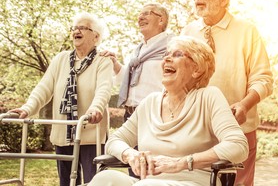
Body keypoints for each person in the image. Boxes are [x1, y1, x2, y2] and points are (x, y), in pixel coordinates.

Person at [88, 36, 248, 186]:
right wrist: (130, 155)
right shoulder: (150, 102)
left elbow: (237, 145)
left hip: (194, 182)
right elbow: (114, 141)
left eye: (177, 54)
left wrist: (182, 163)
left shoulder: (208, 97)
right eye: (166, 55)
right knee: (104, 178)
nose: (166, 59)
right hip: (148, 183)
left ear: (196, 69)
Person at [181, 0, 273, 186]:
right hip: (195, 128)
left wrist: (244, 104)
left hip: (237, 129)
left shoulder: (247, 31)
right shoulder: (188, 31)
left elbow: (264, 79)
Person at [8, 12, 113, 186]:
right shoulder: (61, 59)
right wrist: (27, 108)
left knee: (94, 181)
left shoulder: (102, 61)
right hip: (63, 132)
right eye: (74, 28)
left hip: (90, 132)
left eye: (82, 28)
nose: (76, 31)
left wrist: (96, 109)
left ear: (96, 36)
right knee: (66, 182)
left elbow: (104, 89)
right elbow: (44, 88)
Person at [101, 2, 174, 122]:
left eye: (146, 13)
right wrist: (115, 63)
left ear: (161, 20)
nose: (140, 17)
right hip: (130, 114)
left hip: (156, 114)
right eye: (139, 14)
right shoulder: (138, 50)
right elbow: (131, 78)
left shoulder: (172, 46)